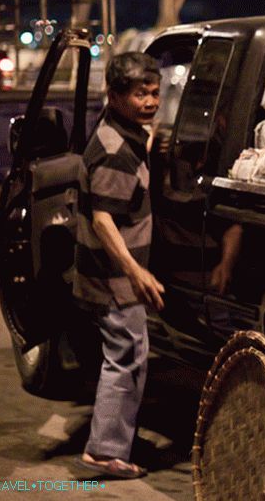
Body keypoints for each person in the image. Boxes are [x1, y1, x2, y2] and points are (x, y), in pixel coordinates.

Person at [73, 52, 165, 479]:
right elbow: (103, 218)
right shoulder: (114, 152)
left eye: (154, 93)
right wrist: (135, 271)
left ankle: (111, 443)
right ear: (114, 95)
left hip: (107, 275)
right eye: (139, 95)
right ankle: (105, 451)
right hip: (112, 279)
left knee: (125, 353)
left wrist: (150, 140)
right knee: (126, 355)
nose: (150, 102)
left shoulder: (122, 134)